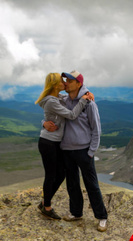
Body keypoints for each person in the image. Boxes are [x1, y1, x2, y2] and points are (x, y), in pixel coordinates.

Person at [44, 70, 108, 232]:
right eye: (65, 80)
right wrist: (43, 123)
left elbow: (96, 129)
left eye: (70, 81)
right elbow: (49, 111)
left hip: (84, 150)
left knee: (91, 184)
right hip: (66, 150)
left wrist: (91, 151)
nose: (65, 83)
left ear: (79, 84)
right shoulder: (63, 100)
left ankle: (101, 217)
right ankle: (76, 212)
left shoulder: (89, 103)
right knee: (72, 184)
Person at [35, 72, 93, 220]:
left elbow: (70, 98)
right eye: (62, 81)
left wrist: (85, 93)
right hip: (48, 143)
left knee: (61, 174)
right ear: (55, 85)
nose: (65, 83)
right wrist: (84, 101)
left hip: (56, 143)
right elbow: (72, 115)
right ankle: (46, 207)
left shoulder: (58, 98)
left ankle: (44, 201)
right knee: (51, 175)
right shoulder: (52, 101)